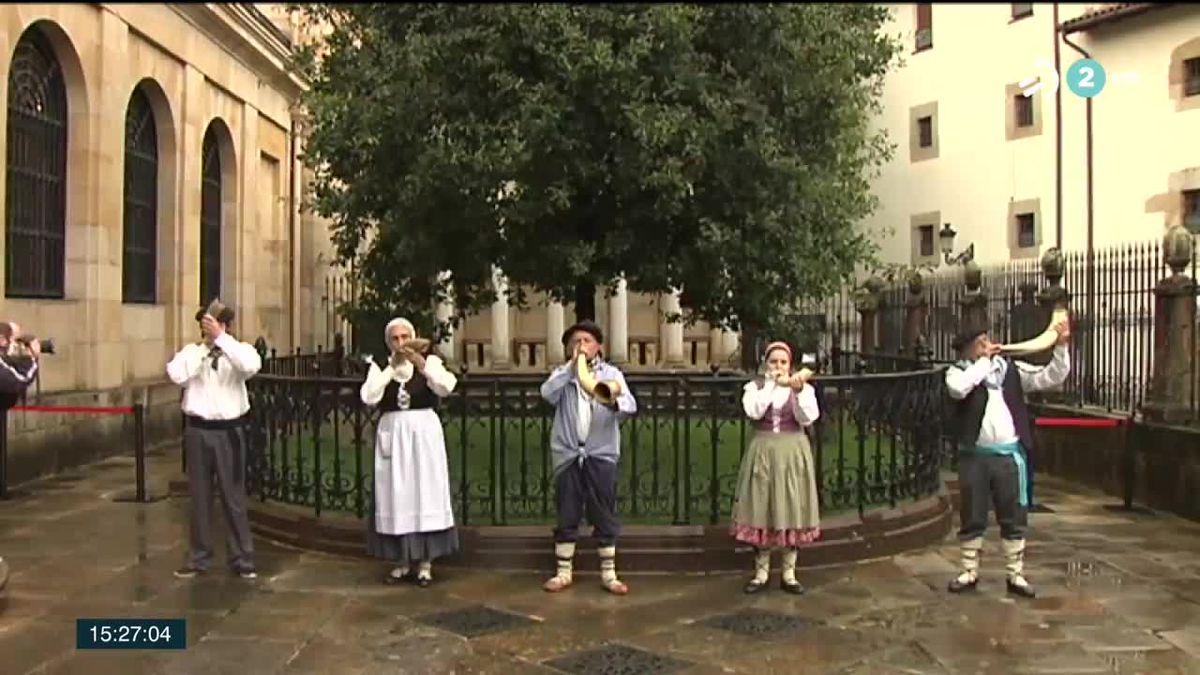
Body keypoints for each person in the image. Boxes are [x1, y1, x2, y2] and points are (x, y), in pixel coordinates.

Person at [945, 319, 1070, 599]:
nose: (989, 345)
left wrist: (1060, 348)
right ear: (968, 350)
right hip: (974, 456)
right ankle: (969, 570)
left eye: (988, 340)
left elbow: (1051, 377)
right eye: (981, 342)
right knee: (973, 513)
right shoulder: (958, 372)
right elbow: (958, 389)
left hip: (1009, 455)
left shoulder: (1010, 370)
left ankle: (1015, 573)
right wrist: (983, 363)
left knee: (1013, 514)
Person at [540, 320, 637, 595]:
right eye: (575, 342)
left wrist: (612, 399)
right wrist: (571, 370)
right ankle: (563, 572)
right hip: (568, 453)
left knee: (603, 511)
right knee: (567, 510)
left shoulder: (612, 373)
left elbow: (630, 406)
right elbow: (547, 394)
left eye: (586, 341)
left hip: (601, 453)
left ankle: (609, 573)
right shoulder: (562, 374)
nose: (580, 346)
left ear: (598, 347)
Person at [360, 318, 459, 587]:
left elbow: (447, 386)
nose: (401, 343)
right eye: (396, 339)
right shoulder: (381, 365)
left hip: (423, 433)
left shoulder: (430, 361)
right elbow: (369, 396)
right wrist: (390, 370)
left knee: (424, 492)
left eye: (405, 337)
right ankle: (401, 560)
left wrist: (422, 365)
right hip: (394, 433)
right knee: (396, 494)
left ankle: (426, 562)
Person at [167, 304, 262, 579]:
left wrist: (221, 340)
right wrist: (205, 350)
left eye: (214, 323)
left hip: (228, 430)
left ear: (226, 325)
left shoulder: (239, 351)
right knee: (199, 496)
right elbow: (176, 374)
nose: (207, 328)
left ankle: (242, 558)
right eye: (205, 324)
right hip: (198, 430)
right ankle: (199, 557)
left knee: (232, 496)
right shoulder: (192, 353)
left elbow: (250, 366)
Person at [731, 341, 821, 594]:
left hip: (792, 452)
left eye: (783, 362)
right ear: (765, 363)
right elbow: (754, 412)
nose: (778, 366)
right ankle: (760, 572)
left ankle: (789, 573)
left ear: (790, 365)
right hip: (763, 450)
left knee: (792, 506)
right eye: (774, 362)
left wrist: (798, 388)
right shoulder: (755, 388)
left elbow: (808, 418)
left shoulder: (802, 389)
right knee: (762, 506)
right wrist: (771, 385)